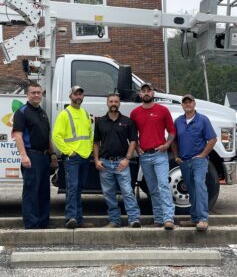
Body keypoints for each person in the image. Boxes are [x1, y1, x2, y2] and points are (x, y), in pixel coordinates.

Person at [130, 83, 176, 230]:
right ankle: (159, 218)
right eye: (143, 91)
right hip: (145, 156)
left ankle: (169, 218)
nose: (146, 93)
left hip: (160, 154)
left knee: (163, 185)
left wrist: (167, 145)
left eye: (149, 90)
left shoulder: (163, 110)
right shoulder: (135, 113)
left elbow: (172, 131)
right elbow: (132, 135)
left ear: (153, 93)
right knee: (153, 189)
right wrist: (137, 147)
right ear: (140, 95)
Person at [13, 82, 58, 229]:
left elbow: (47, 136)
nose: (37, 95)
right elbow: (18, 136)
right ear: (27, 94)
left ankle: (43, 222)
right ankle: (31, 224)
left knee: (44, 191)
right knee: (31, 191)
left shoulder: (42, 113)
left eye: (39, 92)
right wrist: (23, 156)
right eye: (33, 93)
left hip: (44, 157)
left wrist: (51, 153)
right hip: (31, 156)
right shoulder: (22, 112)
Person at [93, 93, 141, 228]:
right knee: (109, 194)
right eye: (111, 101)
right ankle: (114, 221)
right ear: (107, 103)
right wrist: (96, 160)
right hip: (105, 163)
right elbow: (96, 142)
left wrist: (127, 159)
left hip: (122, 163)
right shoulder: (100, 122)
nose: (113, 104)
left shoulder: (127, 121)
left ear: (119, 104)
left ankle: (134, 219)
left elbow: (133, 141)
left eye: (116, 102)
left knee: (127, 191)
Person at [172, 94, 217, 231]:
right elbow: (174, 140)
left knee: (199, 186)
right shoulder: (178, 121)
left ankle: (203, 219)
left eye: (190, 102)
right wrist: (176, 156)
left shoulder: (203, 120)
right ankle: (194, 219)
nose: (187, 104)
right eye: (185, 102)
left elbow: (212, 139)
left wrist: (203, 155)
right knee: (191, 190)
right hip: (184, 162)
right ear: (182, 105)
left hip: (199, 161)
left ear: (194, 104)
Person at [52, 85, 93, 229]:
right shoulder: (65, 114)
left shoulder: (85, 113)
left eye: (81, 95)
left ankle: (79, 219)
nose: (78, 97)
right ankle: (71, 218)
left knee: (79, 188)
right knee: (72, 188)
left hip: (84, 157)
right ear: (70, 96)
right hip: (72, 158)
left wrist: (89, 151)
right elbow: (56, 136)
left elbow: (89, 134)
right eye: (76, 94)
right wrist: (69, 152)